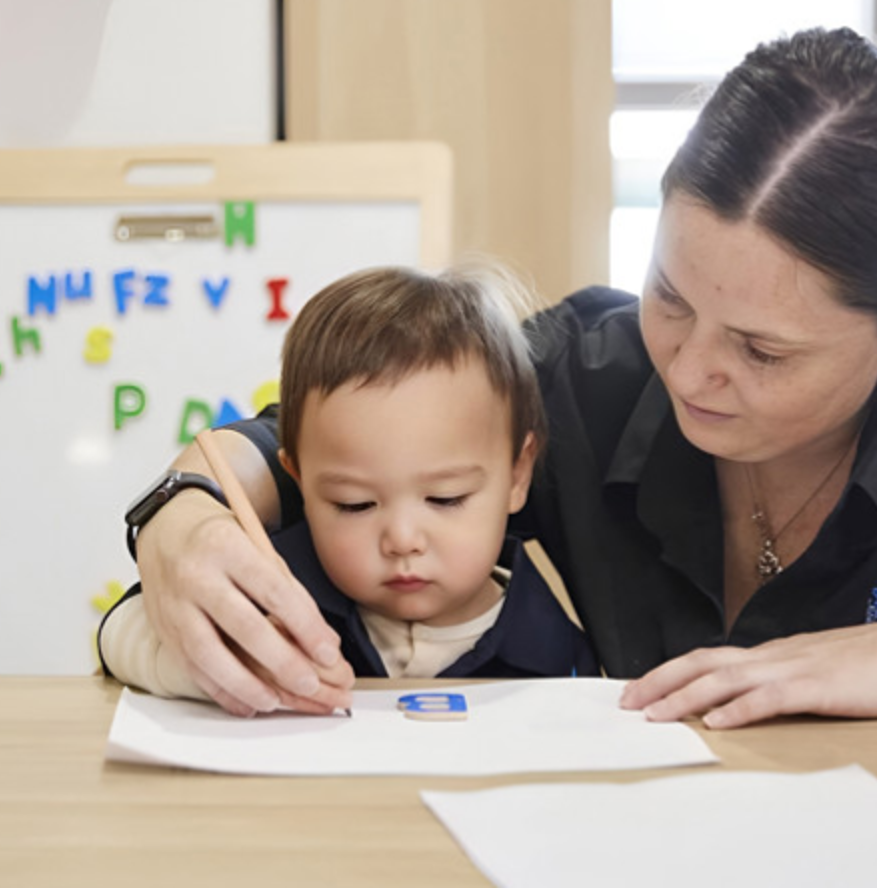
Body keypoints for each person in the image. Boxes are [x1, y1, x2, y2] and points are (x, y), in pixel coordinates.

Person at [124, 27, 877, 755]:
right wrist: (178, 518)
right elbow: (294, 446)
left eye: (763, 350)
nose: (690, 369)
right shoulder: (588, 377)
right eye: (670, 296)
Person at [100, 264, 597, 702]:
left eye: (446, 499)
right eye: (354, 504)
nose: (402, 539)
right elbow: (118, 634)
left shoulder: (555, 643)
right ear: (298, 480)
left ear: (518, 473)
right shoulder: (276, 581)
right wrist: (215, 668)